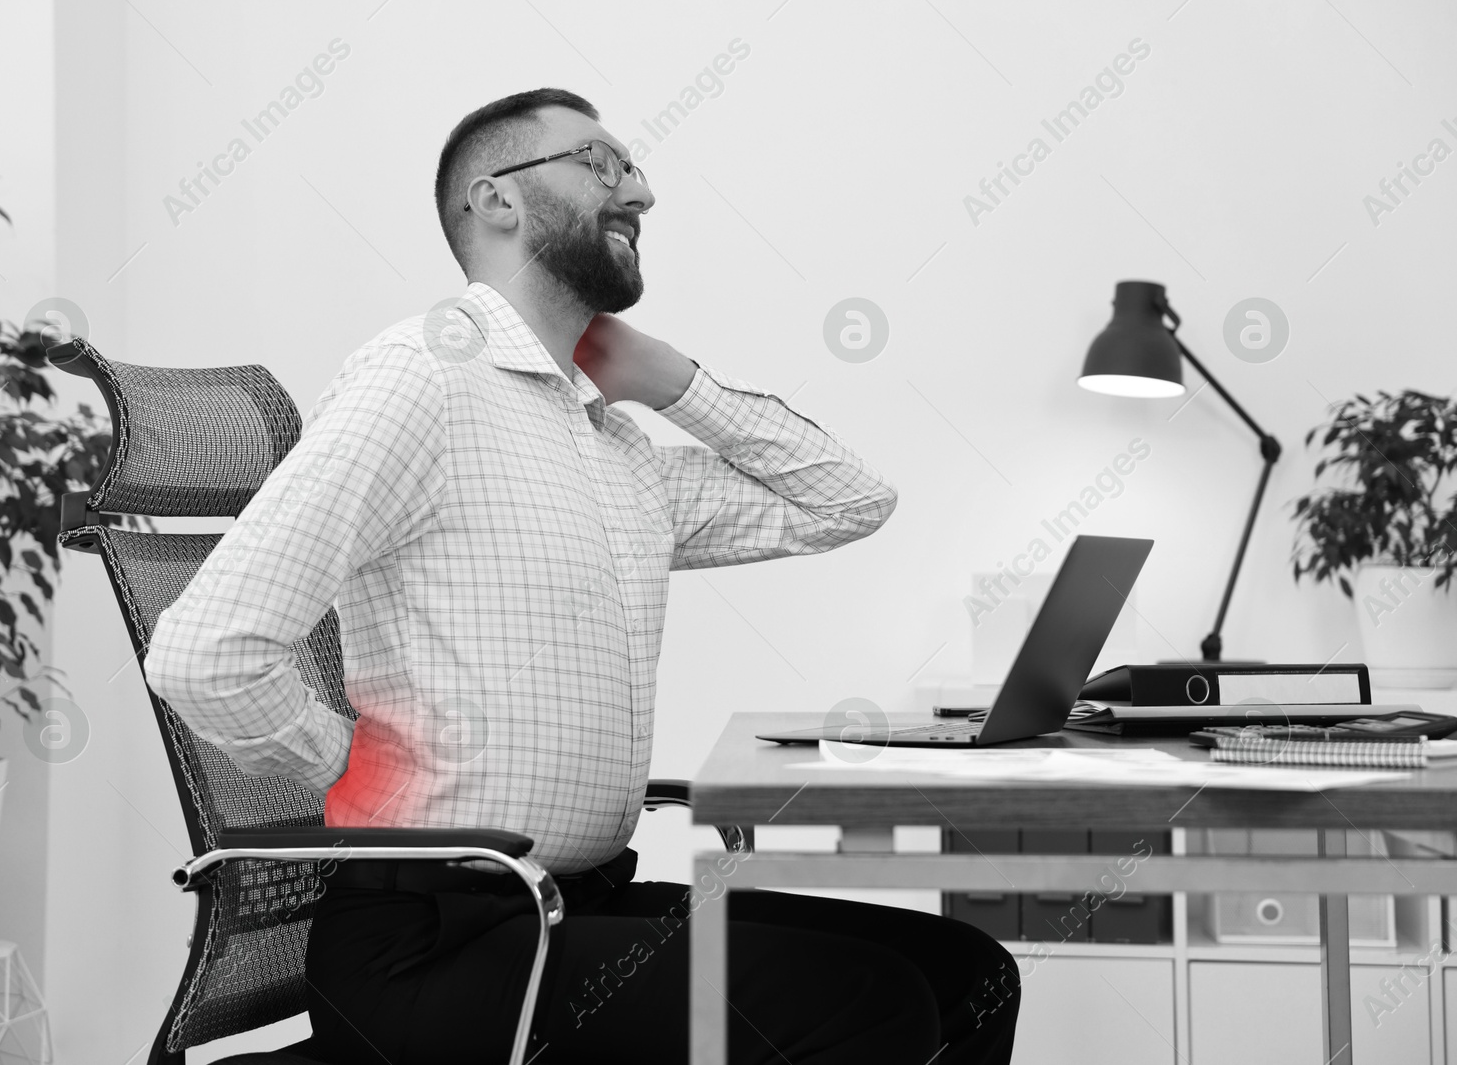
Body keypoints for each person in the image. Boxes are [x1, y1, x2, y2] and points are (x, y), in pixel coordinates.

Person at [144, 87, 1019, 1064]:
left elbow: (846, 500)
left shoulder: (612, 445)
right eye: (599, 163)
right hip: (436, 947)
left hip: (571, 907)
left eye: (634, 167)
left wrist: (673, 381)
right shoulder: (421, 378)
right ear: (496, 200)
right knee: (862, 1002)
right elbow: (203, 650)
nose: (637, 188)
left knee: (968, 974)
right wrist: (355, 772)